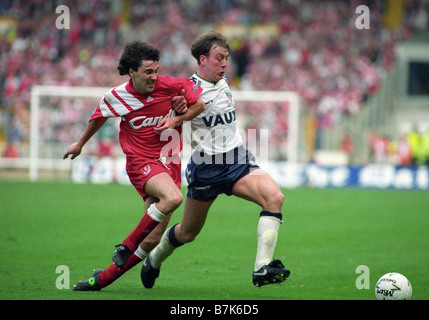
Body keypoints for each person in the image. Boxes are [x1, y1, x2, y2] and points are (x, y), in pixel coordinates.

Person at [140, 31, 290, 288]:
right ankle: (153, 259)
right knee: (187, 233)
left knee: (274, 197)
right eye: (219, 58)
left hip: (236, 160)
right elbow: (170, 114)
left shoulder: (222, 82)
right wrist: (177, 113)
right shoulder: (186, 91)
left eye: (226, 58)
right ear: (203, 59)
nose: (224, 64)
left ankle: (261, 268)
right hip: (205, 167)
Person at [63, 41, 205, 291]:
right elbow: (98, 117)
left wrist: (178, 117)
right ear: (132, 71)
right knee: (173, 198)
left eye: (156, 71)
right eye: (148, 72)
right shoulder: (117, 97)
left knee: (151, 239)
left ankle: (102, 279)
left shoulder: (171, 85)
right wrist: (80, 144)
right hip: (142, 163)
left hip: (169, 163)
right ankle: (126, 245)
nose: (154, 77)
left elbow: (199, 104)